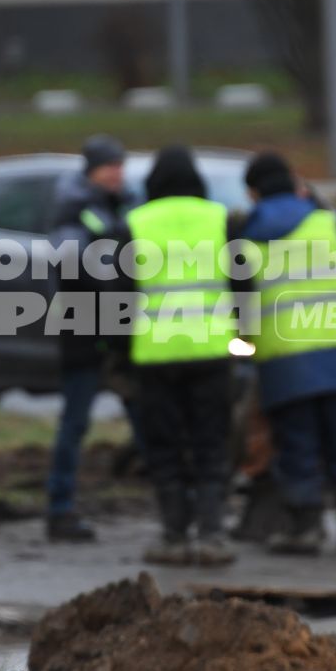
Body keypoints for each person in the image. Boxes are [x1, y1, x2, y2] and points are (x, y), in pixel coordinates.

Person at [233, 151, 336, 555]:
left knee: (298, 446)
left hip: (284, 360)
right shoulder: (328, 222)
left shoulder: (246, 236)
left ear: (253, 192)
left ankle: (307, 528)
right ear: (294, 182)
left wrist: (244, 346)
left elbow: (239, 302)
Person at [111, 145, 238, 566]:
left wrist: (117, 354)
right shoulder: (219, 219)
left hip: (155, 356)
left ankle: (173, 534)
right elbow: (244, 283)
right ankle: (213, 535)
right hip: (212, 352)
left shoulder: (136, 224)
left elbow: (118, 297)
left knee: (165, 448)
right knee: (212, 444)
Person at [41, 134, 134, 542]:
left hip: (124, 329)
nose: (117, 173)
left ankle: (173, 503)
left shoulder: (126, 204)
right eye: (109, 166)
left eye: (119, 165)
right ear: (92, 170)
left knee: (147, 413)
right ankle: (59, 509)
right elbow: (70, 262)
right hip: (85, 329)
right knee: (76, 423)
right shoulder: (75, 209)